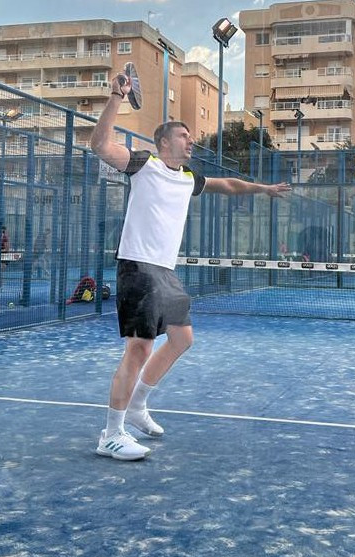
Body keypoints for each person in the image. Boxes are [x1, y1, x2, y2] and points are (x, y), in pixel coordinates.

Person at [90, 70, 290, 461]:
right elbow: (100, 145)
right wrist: (116, 97)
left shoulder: (187, 177)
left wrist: (263, 189)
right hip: (138, 266)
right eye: (184, 135)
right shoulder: (143, 164)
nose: (191, 140)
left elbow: (228, 185)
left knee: (182, 339)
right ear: (164, 141)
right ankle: (111, 434)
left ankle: (137, 405)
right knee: (139, 348)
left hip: (165, 271)